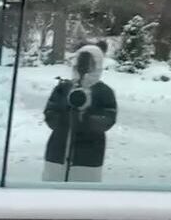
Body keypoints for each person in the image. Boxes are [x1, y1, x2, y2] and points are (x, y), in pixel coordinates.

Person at [42, 42, 117, 183]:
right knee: (52, 193)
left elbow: (109, 118)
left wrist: (87, 116)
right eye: (81, 62)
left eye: (90, 63)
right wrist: (67, 114)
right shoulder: (63, 88)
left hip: (88, 154)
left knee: (84, 195)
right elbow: (50, 113)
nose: (84, 67)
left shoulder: (104, 92)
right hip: (58, 151)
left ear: (98, 65)